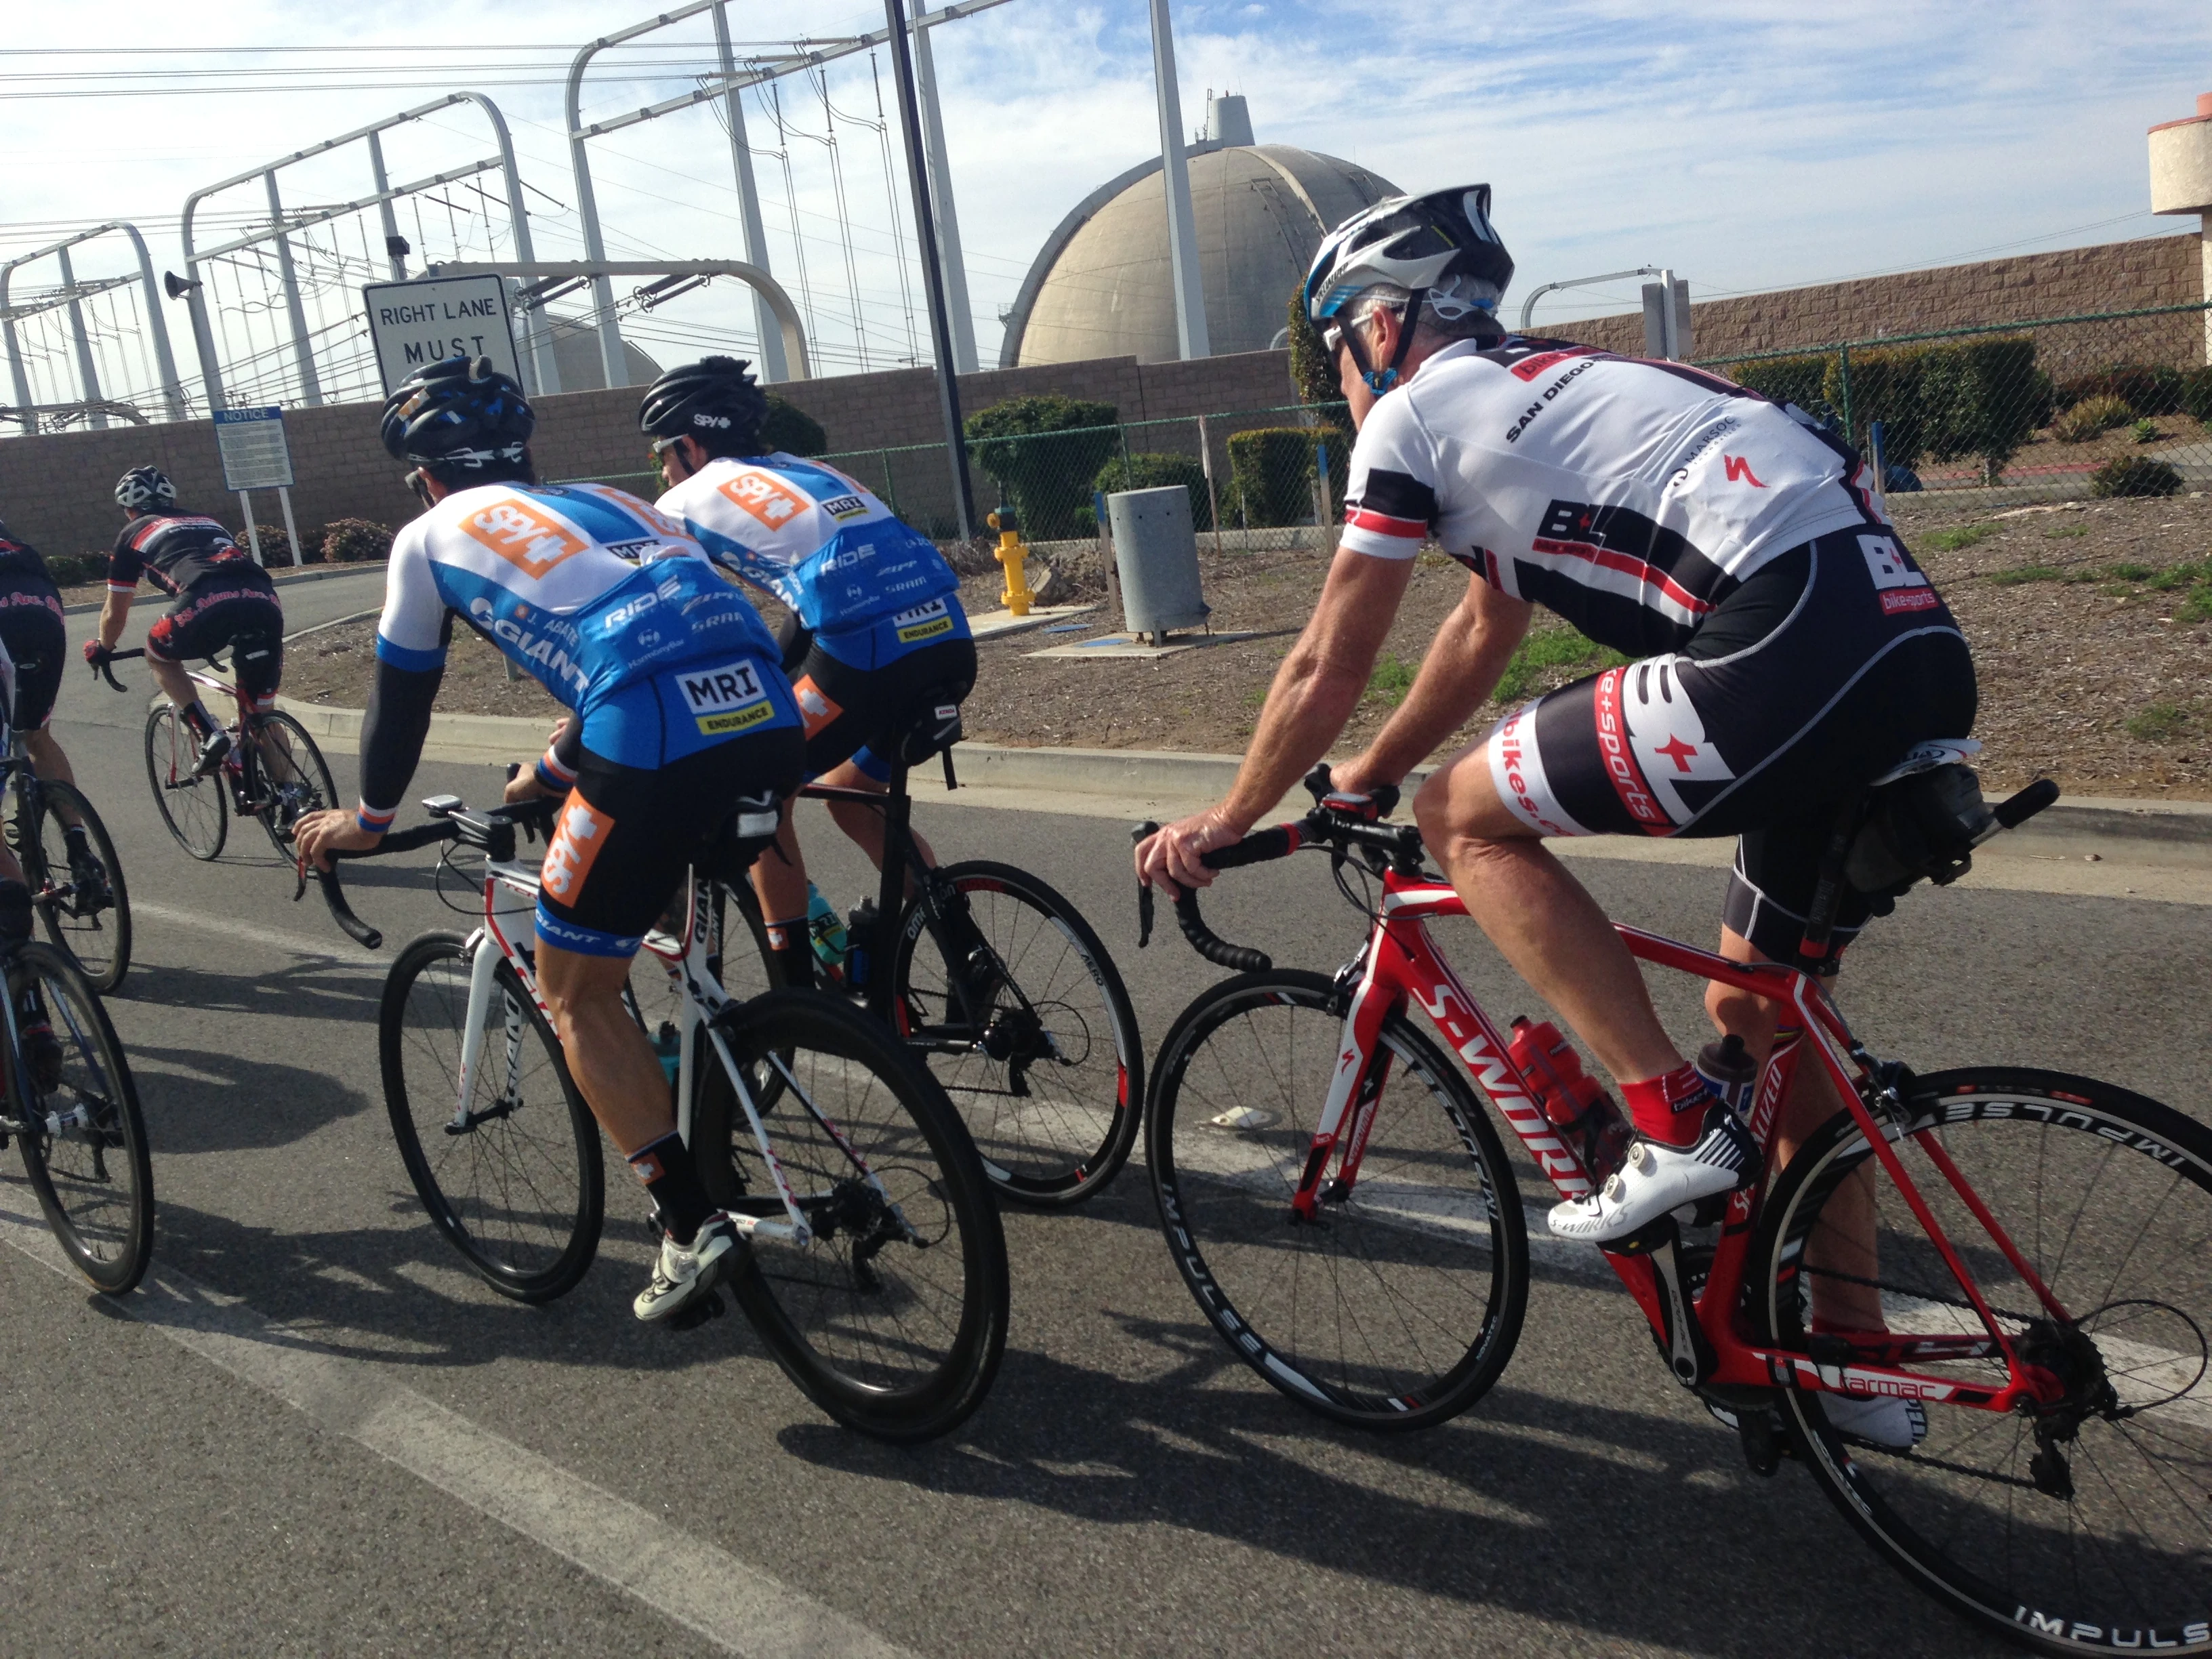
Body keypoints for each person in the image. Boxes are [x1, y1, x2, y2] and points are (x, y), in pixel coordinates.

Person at [1134, 186, 1975, 1446]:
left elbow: (1322, 657)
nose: (1340, 379)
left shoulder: (1416, 414)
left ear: (1377, 324)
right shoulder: (1566, 385)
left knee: (1461, 817)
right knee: (1760, 1008)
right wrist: (1355, 775)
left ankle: (1666, 1120)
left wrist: (1227, 815)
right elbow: (1484, 624)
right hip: (1908, 648)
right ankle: (1850, 1358)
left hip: (1783, 644)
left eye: (1333, 352)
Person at [295, 356, 806, 1324]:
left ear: (424, 476)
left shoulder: (429, 535)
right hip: (767, 711)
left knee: (574, 991)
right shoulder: (615, 500)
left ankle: (689, 1226)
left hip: (645, 734)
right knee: (646, 901)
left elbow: (401, 698)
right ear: (525, 458)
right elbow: (659, 635)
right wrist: (557, 771)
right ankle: (731, 1064)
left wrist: (365, 823)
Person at [643, 357, 976, 991]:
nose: (661, 468)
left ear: (689, 444)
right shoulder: (808, 469)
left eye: (662, 452)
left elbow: (692, 627)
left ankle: (793, 988)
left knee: (758, 788)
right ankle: (967, 962)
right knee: (855, 795)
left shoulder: (682, 501)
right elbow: (822, 600)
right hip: (950, 641)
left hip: (868, 655)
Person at [87, 468, 286, 777]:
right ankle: (292, 802)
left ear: (128, 510)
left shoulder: (131, 535)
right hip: (264, 598)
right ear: (172, 499)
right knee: (261, 713)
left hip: (204, 600)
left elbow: (115, 612)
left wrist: (103, 648)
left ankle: (210, 734)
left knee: (157, 656)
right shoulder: (208, 521)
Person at [0, 520, 104, 900]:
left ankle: (14, 923)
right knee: (37, 735)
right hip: (42, 613)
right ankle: (79, 848)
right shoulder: (14, 540)